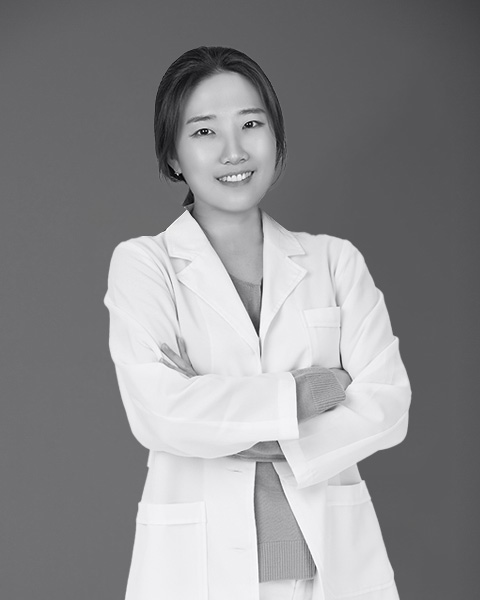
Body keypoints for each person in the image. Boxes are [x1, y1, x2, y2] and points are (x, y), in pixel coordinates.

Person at [104, 46, 411, 600]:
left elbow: (387, 406)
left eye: (251, 124)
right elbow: (160, 412)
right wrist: (309, 391)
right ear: (172, 155)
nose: (234, 150)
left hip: (333, 565)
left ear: (276, 138)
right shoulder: (145, 264)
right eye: (204, 132)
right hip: (197, 572)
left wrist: (223, 416)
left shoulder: (334, 260)